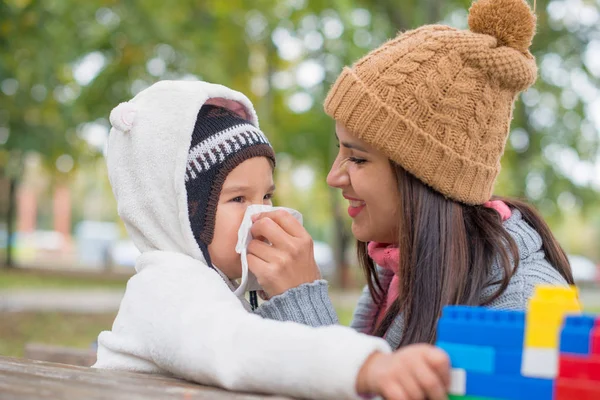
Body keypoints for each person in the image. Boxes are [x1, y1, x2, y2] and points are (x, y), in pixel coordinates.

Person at [92, 80, 451, 400]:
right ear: (179, 213)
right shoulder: (165, 286)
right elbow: (238, 348)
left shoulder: (219, 286)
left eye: (266, 196)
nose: (261, 214)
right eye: (238, 199)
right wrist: (366, 367)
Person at [248, 0, 574, 351]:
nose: (334, 177)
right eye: (340, 149)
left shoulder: (522, 310)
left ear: (426, 178)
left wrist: (304, 307)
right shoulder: (402, 264)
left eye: (357, 159)